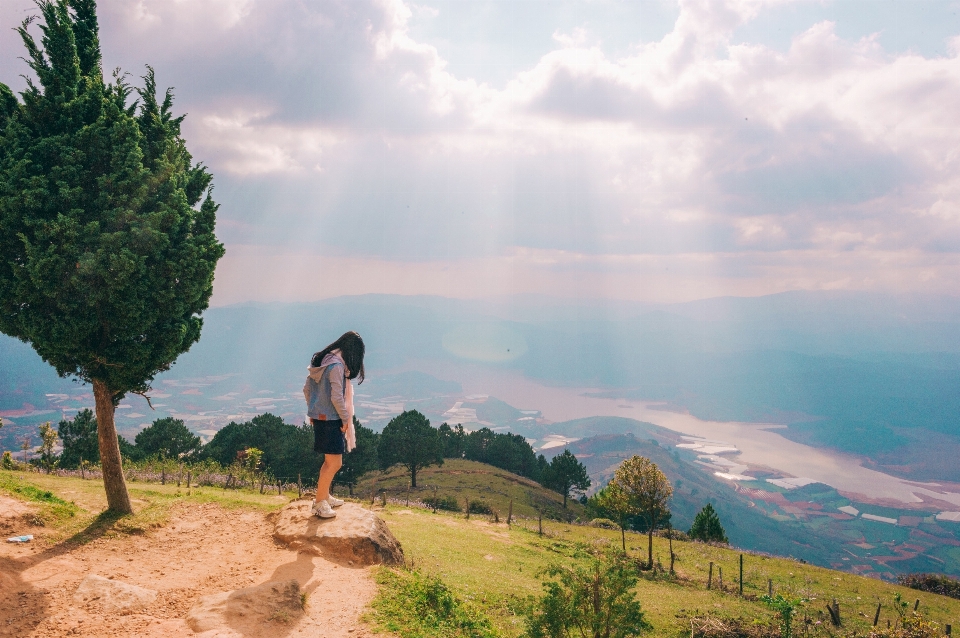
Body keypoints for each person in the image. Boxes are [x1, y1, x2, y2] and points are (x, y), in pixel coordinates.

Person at [303, 331, 365, 518]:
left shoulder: (322, 362)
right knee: (335, 463)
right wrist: (345, 419)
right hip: (331, 420)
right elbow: (336, 396)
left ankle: (324, 497)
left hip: (321, 417)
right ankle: (320, 503)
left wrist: (313, 410)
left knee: (329, 462)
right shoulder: (336, 366)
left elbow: (307, 389)